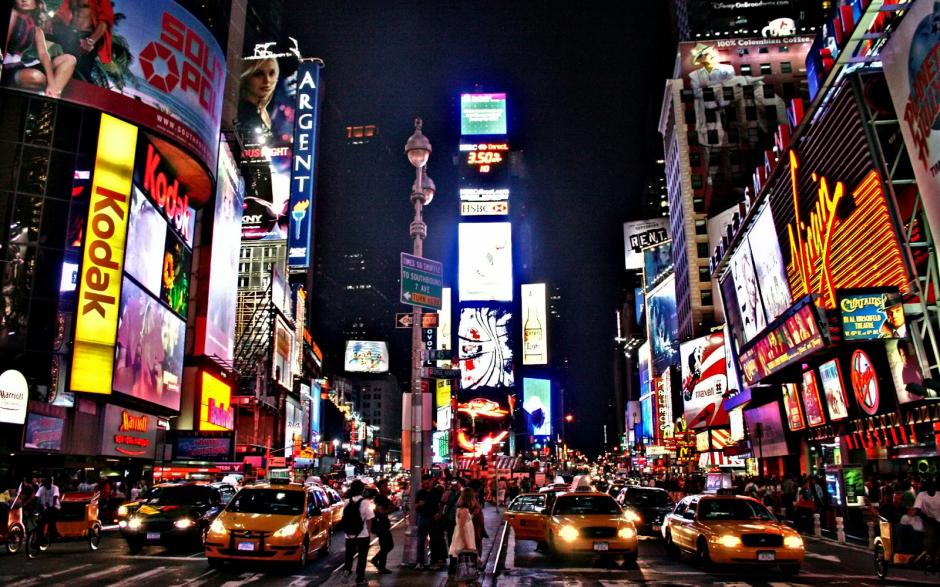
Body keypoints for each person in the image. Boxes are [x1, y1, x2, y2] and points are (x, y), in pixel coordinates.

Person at [3, 0, 76, 97]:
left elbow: (43, 54)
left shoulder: (35, 26)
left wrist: (52, 83)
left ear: (36, 2)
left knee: (69, 59)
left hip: (22, 63)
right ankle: (48, 96)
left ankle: (52, 95)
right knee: (37, 77)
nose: (24, 0)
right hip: (6, 67)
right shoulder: (12, 14)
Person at [48, 0, 114, 83]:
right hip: (69, 34)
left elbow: (105, 21)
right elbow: (62, 13)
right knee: (57, 67)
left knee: (79, 74)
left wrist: (91, 41)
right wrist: (50, 23)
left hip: (86, 37)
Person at [341, 479, 374, 584]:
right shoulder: (365, 502)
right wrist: (368, 533)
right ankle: (360, 578)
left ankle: (347, 570)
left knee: (349, 554)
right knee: (362, 557)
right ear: (362, 490)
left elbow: (344, 517)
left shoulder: (346, 502)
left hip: (349, 534)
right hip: (362, 534)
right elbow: (369, 519)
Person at [448, 488, 483, 576]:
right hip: (464, 537)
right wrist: (465, 543)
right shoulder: (463, 510)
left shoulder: (465, 509)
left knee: (463, 561)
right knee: (463, 562)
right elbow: (462, 527)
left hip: (466, 536)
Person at [414, 475, 441, 570]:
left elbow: (441, 504)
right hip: (423, 518)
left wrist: (439, 513)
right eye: (424, 483)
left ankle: (433, 562)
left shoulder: (437, 492)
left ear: (431, 482)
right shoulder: (420, 493)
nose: (425, 485)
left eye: (427, 483)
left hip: (433, 518)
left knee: (434, 541)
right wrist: (419, 504)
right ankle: (420, 562)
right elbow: (415, 506)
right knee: (421, 541)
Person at [369, 479, 394, 575]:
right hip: (380, 526)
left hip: (384, 525)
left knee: (386, 546)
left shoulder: (385, 498)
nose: (386, 487)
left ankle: (381, 566)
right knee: (388, 545)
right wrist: (392, 509)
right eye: (384, 486)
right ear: (380, 488)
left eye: (386, 485)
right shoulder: (379, 498)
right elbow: (381, 511)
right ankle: (377, 561)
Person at [913, 480, 940, 567]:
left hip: (939, 520)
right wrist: (927, 518)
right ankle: (928, 555)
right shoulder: (922, 495)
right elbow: (917, 509)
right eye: (928, 488)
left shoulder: (939, 495)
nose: (929, 490)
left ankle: (937, 556)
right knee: (930, 535)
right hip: (927, 519)